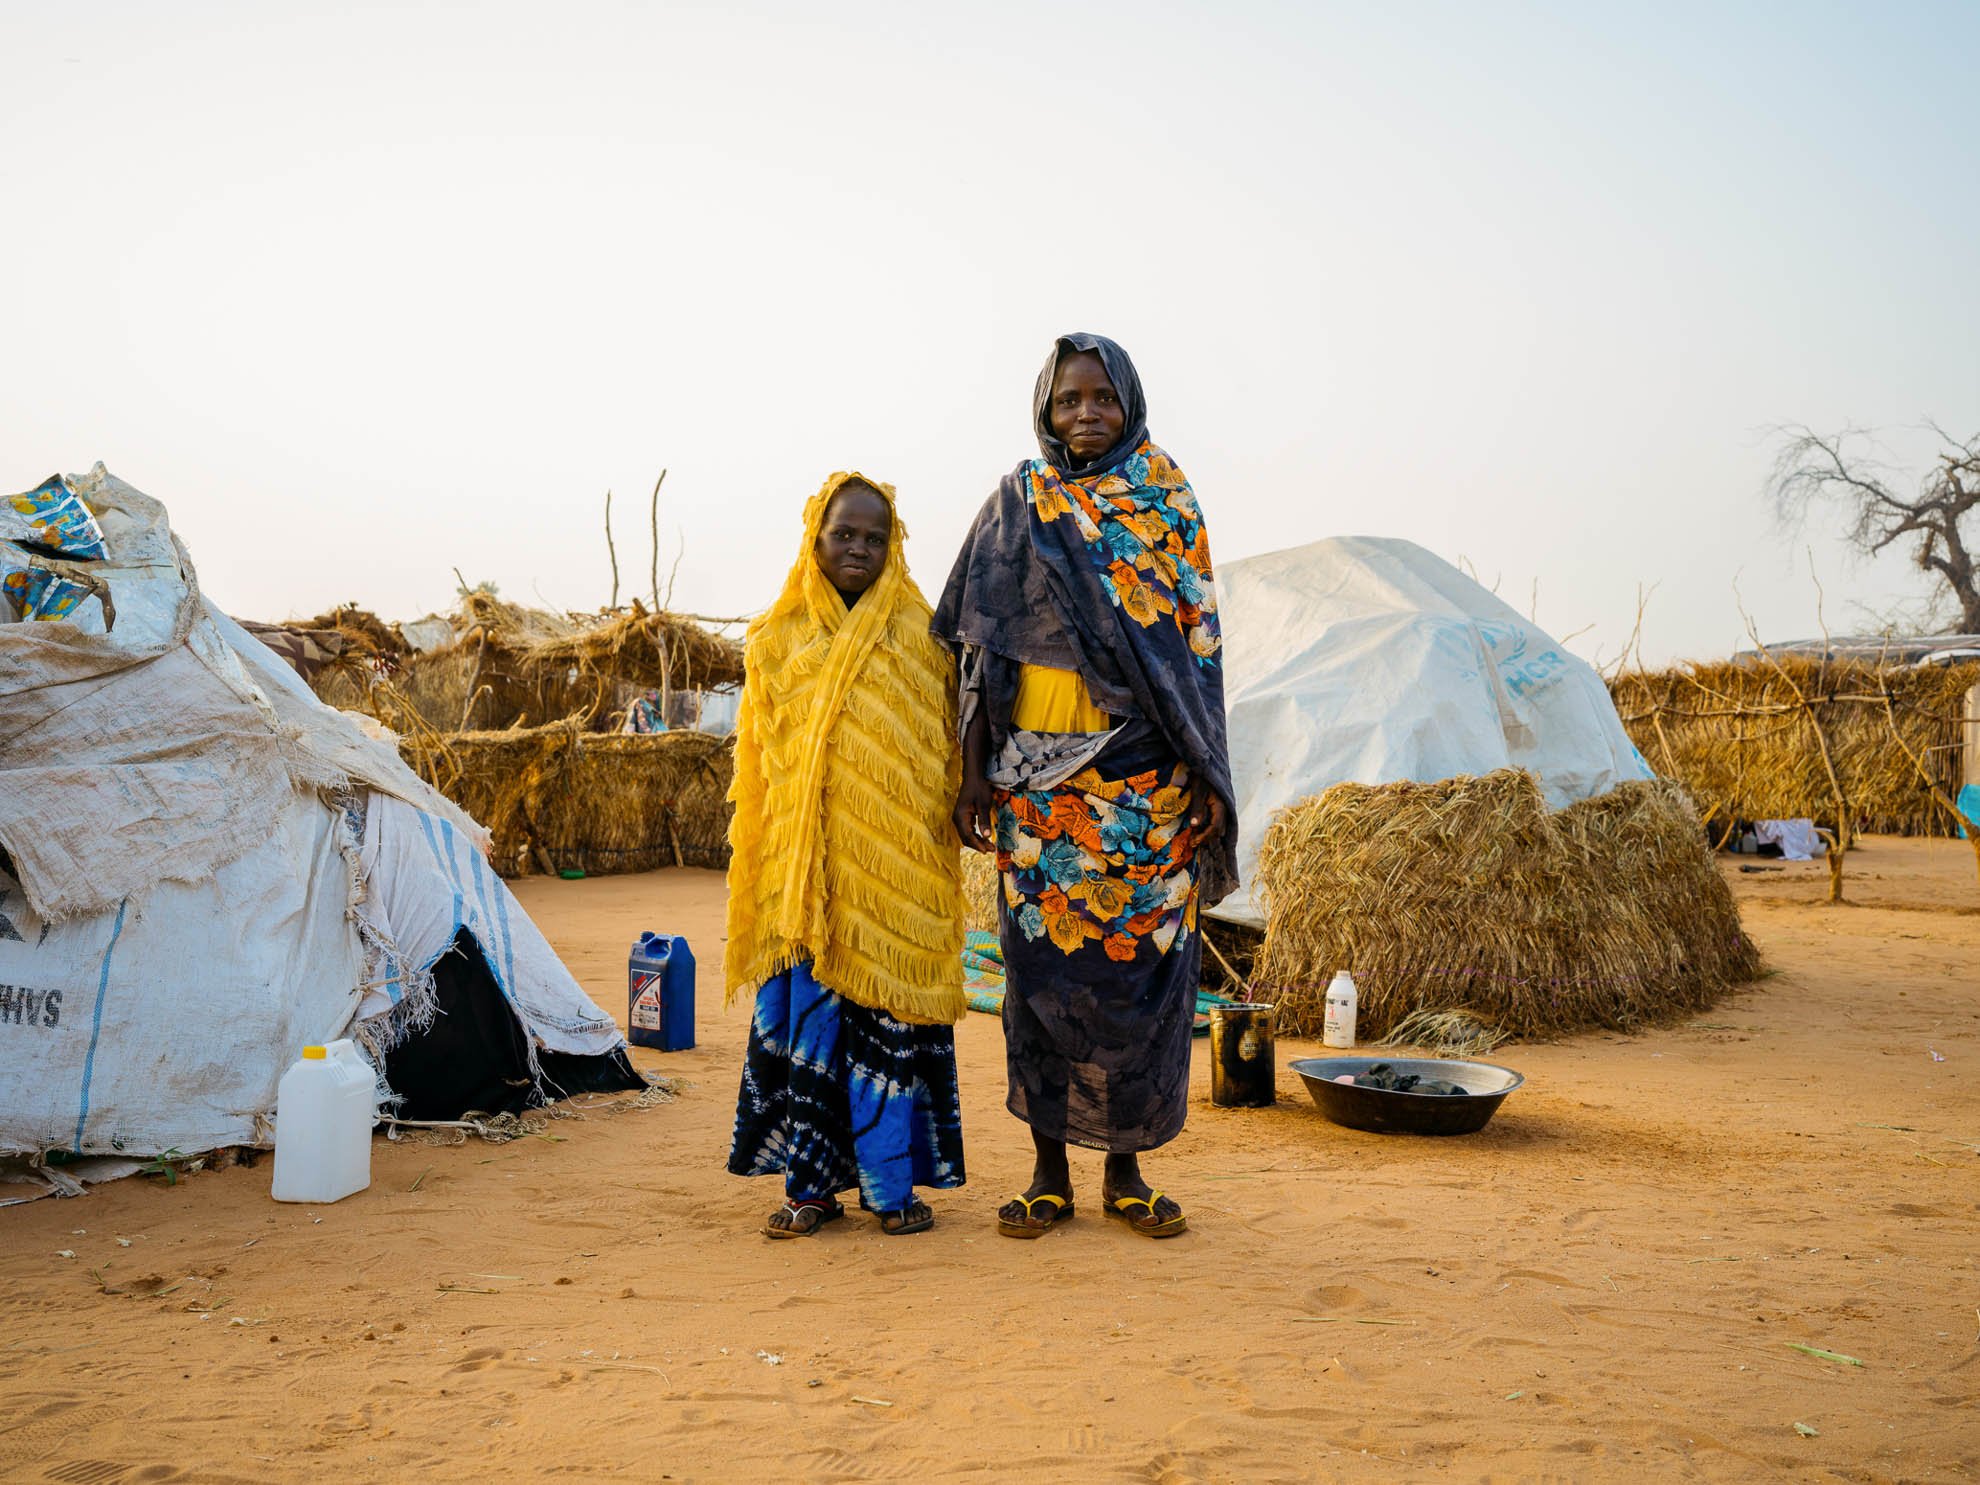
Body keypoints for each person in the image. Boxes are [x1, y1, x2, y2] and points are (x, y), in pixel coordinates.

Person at [934, 333, 1236, 1241]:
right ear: (1044, 408)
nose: (1085, 414)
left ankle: (1128, 1173)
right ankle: (1048, 1173)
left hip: (1148, 793)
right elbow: (980, 647)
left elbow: (1198, 647)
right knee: (1039, 984)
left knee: (1140, 986)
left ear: (1129, 400)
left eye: (1101, 397)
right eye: (1068, 400)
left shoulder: (1166, 500)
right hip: (1036, 794)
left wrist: (1211, 773)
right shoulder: (1018, 504)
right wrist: (973, 768)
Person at [725, 472, 967, 1237]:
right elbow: (763, 770)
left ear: (893, 544)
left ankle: (892, 1193)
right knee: (815, 1038)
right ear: (815, 539)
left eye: (875, 536)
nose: (859, 547)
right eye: (844, 535)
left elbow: (942, 752)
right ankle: (810, 1190)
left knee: (888, 1037)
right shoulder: (775, 640)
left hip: (894, 893)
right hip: (806, 886)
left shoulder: (927, 637)